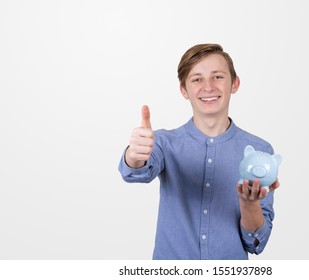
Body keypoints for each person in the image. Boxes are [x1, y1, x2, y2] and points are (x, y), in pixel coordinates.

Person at [118, 43, 280, 260]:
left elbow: (256, 243)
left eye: (218, 77)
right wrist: (134, 155)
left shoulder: (260, 151)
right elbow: (136, 172)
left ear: (235, 83)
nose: (208, 87)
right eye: (197, 79)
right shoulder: (164, 143)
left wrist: (249, 204)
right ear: (184, 90)